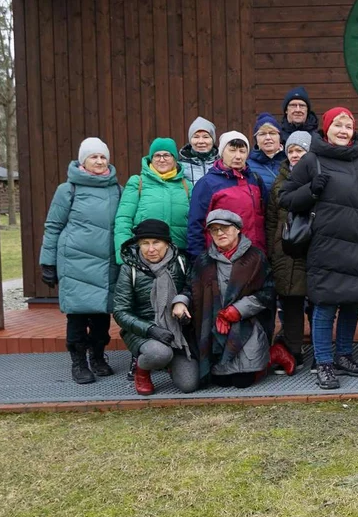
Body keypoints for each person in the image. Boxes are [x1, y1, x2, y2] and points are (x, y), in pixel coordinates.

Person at [280, 106, 358, 389]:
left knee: (352, 302)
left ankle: (344, 355)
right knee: (325, 305)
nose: (343, 130)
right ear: (326, 128)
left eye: (348, 126)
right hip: (326, 245)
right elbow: (285, 197)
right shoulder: (312, 159)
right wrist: (311, 190)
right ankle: (323, 361)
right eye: (338, 124)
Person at [40, 137, 123, 384]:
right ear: (82, 161)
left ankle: (97, 357)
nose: (99, 161)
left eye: (102, 156)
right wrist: (48, 262)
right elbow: (53, 226)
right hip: (75, 262)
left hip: (106, 263)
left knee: (101, 316)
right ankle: (78, 363)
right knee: (77, 316)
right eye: (93, 157)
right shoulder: (68, 190)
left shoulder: (117, 189)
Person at [178, 209, 276, 388]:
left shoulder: (256, 257)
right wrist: (180, 301)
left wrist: (237, 310)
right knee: (220, 382)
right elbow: (190, 288)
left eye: (225, 228)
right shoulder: (203, 261)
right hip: (213, 329)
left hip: (248, 326)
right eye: (214, 229)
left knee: (242, 382)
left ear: (238, 229)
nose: (220, 233)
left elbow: (268, 293)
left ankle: (268, 357)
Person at [112, 219, 197, 395]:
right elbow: (120, 311)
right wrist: (151, 330)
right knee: (159, 353)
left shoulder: (180, 262)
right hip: (143, 331)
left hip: (177, 331)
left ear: (167, 243)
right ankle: (141, 371)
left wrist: (181, 301)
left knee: (189, 384)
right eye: (145, 243)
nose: (151, 249)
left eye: (156, 242)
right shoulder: (130, 269)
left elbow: (192, 288)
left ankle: (170, 363)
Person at [265, 131, 315, 372]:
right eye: (292, 151)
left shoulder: (319, 176)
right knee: (291, 303)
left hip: (315, 249)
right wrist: (273, 249)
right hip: (285, 252)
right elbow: (272, 220)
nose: (295, 155)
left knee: (318, 303)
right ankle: (294, 351)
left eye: (301, 151)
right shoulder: (279, 181)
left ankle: (321, 352)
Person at [186, 130, 266, 262]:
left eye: (242, 151)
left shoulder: (255, 180)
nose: (238, 156)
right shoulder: (207, 184)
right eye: (232, 150)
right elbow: (196, 224)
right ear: (222, 152)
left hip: (255, 256)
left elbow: (265, 218)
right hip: (222, 259)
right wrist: (198, 261)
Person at [113, 137, 192, 263]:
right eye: (157, 155)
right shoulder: (137, 182)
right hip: (143, 257)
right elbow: (123, 220)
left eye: (167, 155)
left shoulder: (186, 186)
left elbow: (194, 224)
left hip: (179, 258)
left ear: (175, 158)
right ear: (151, 158)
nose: (162, 159)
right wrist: (123, 256)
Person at [248, 113, 286, 192]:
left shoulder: (290, 160)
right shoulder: (247, 166)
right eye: (262, 134)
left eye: (272, 133)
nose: (268, 138)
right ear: (257, 140)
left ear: (280, 138)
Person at [179, 116, 218, 184]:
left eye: (206, 137)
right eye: (196, 137)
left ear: (213, 140)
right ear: (190, 140)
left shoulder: (222, 164)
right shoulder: (180, 166)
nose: (200, 141)